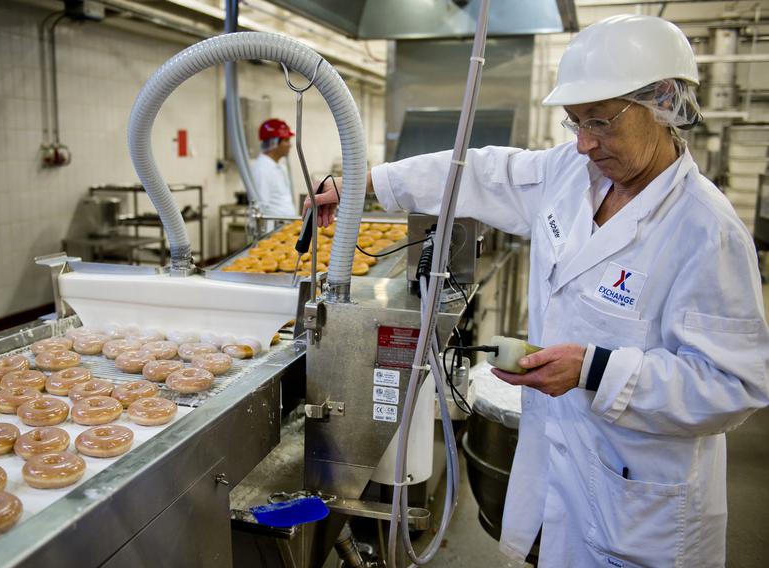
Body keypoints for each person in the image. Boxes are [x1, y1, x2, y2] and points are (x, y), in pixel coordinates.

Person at [305, 14, 769, 568]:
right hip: (559, 475)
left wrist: (595, 370)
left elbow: (733, 385)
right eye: (574, 124)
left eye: (599, 122)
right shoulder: (571, 177)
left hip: (641, 503)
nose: (585, 144)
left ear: (664, 101)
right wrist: (367, 183)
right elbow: (477, 172)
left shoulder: (705, 232)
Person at [250, 118, 297, 217]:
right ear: (273, 143)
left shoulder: (279, 167)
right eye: (286, 140)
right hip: (272, 230)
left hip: (283, 227)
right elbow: (261, 208)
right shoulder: (262, 169)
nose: (290, 145)